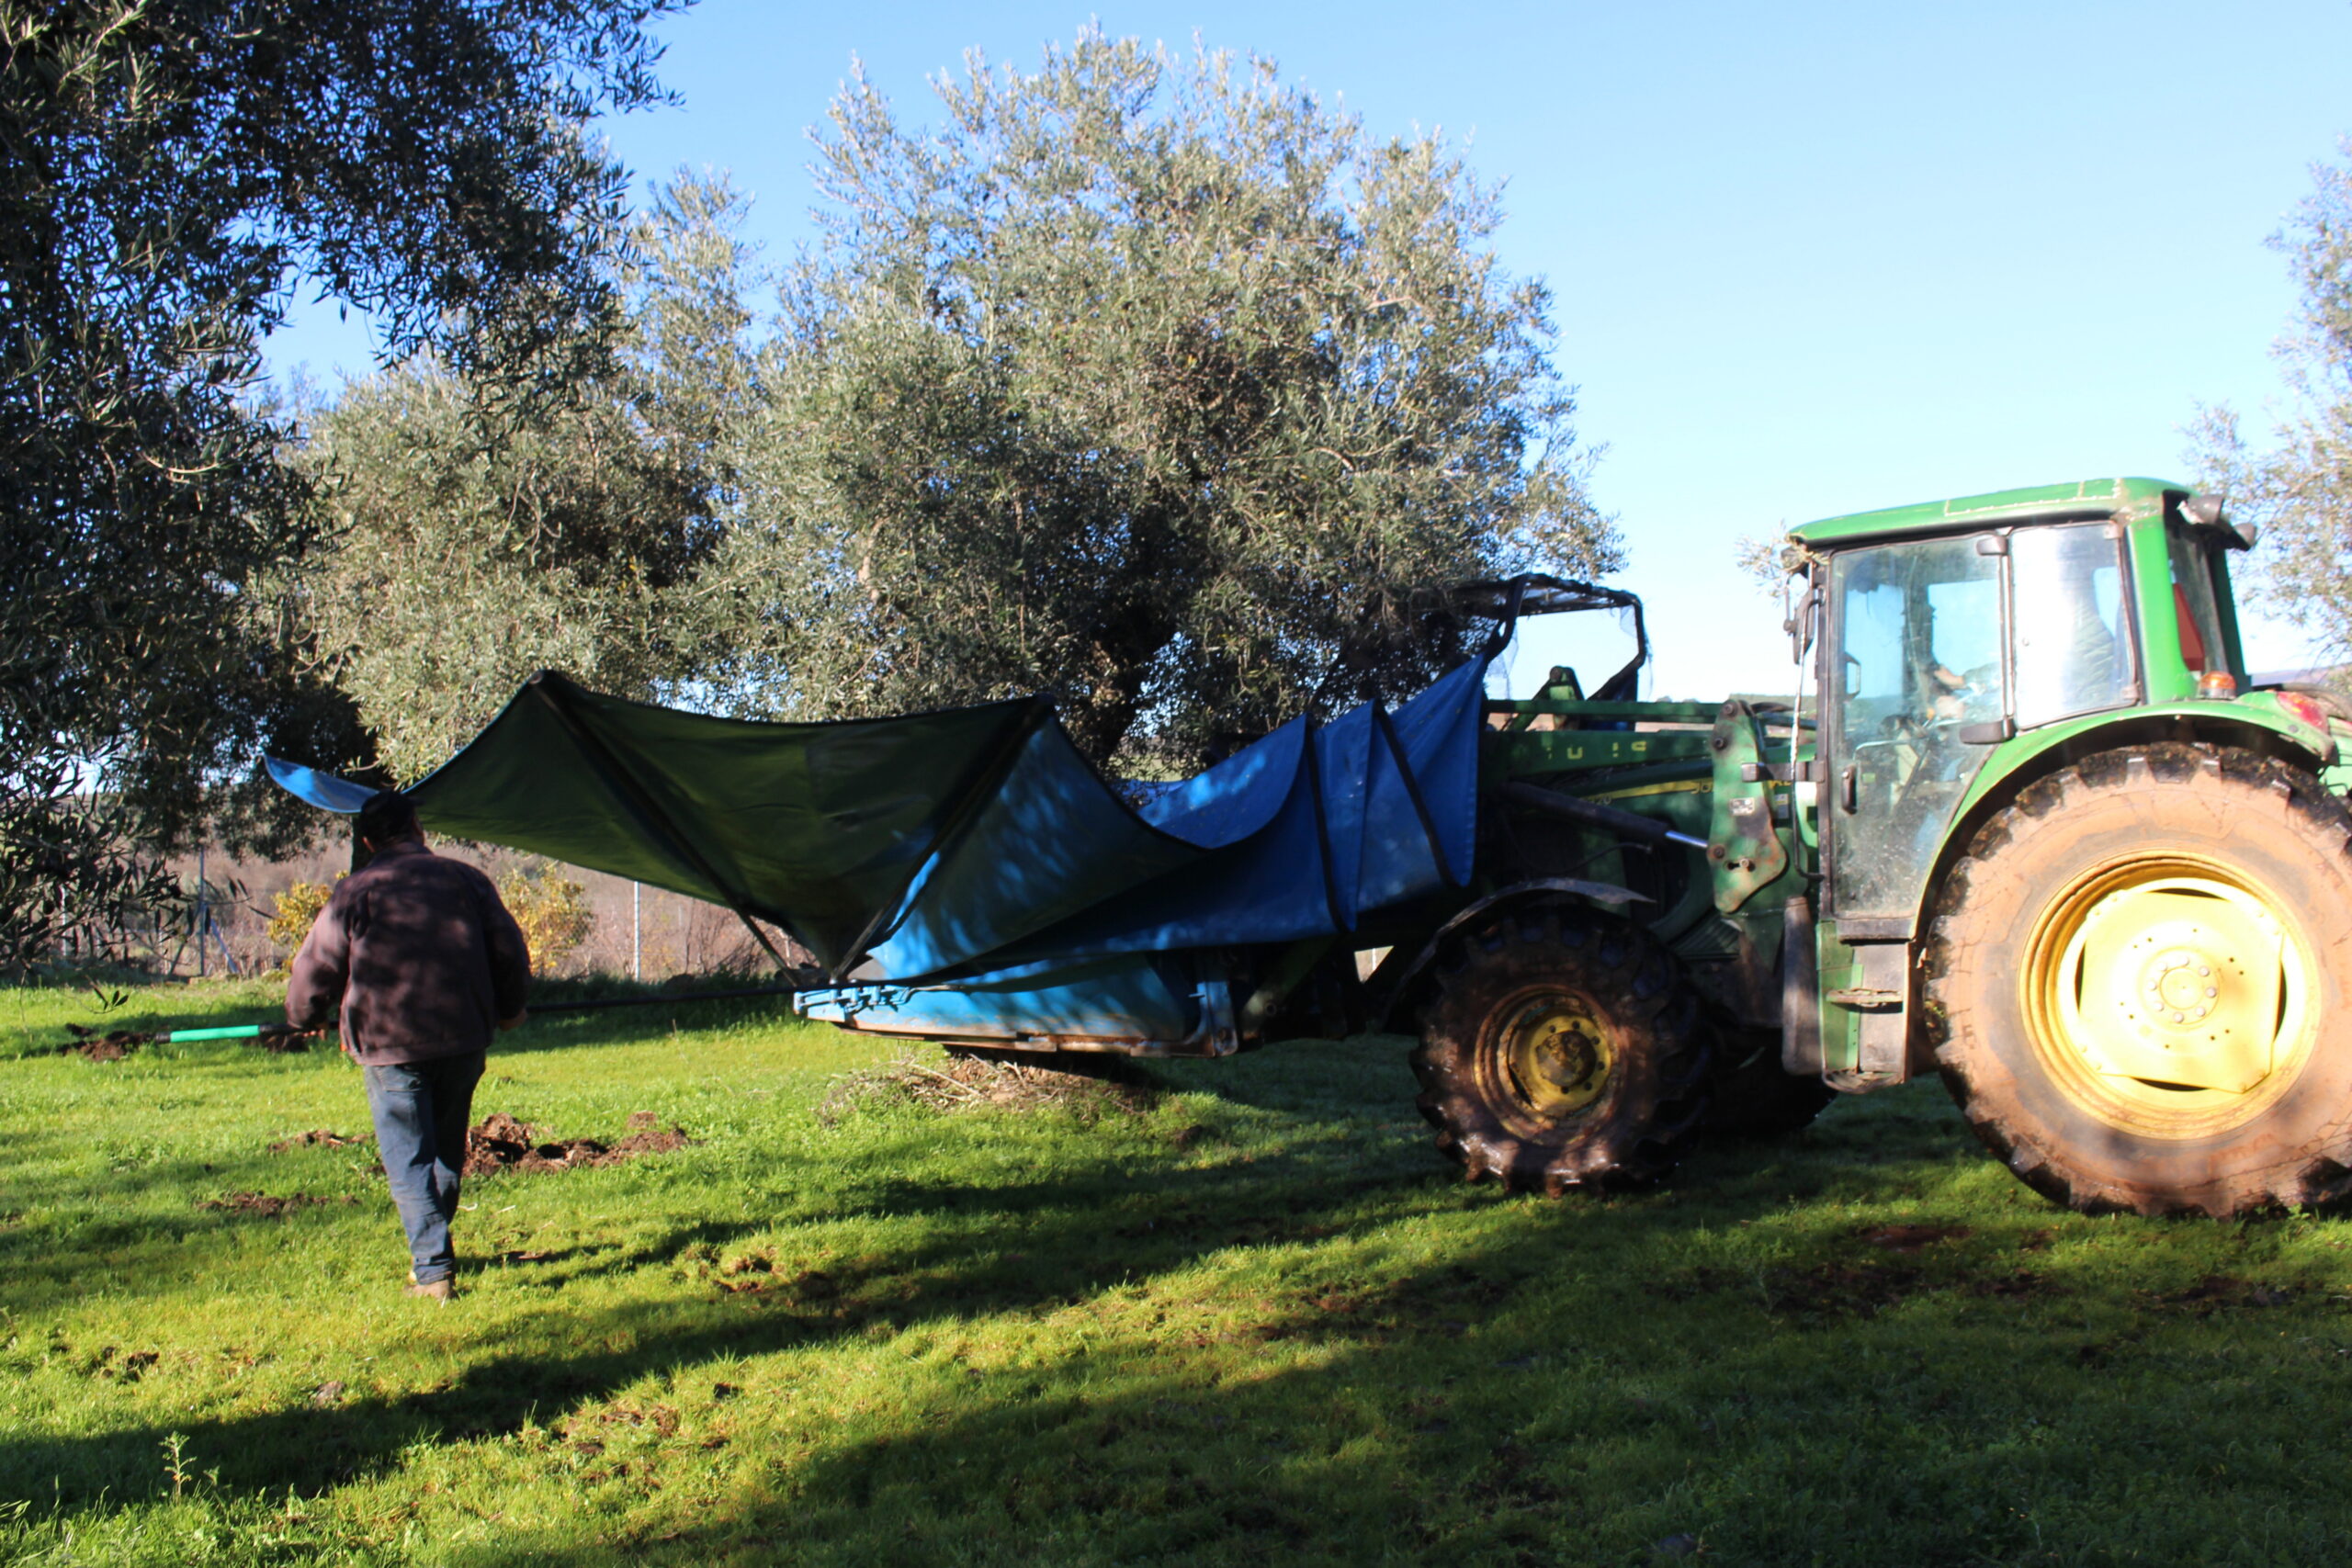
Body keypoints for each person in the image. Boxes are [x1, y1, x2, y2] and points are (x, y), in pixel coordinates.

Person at [287, 790, 531, 1302]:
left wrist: (303, 1016)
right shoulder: (468, 881)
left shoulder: (354, 892)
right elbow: (508, 950)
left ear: (370, 840)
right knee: (443, 1151)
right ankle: (432, 1253)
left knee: (407, 1159)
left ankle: (432, 1271)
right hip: (463, 1036)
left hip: (386, 1042)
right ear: (419, 829)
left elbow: (317, 966)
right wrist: (510, 1010)